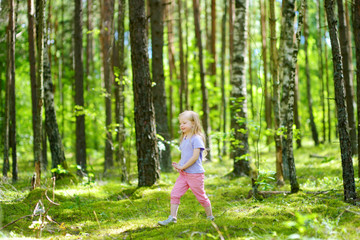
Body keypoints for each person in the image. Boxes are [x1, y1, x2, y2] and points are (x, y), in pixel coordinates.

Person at [158, 111, 214, 226]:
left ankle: (210, 217)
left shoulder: (196, 138)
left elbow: (194, 157)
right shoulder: (184, 138)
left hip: (195, 174)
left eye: (184, 123)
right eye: (180, 123)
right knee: (174, 194)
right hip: (184, 174)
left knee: (201, 197)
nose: (181, 125)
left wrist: (183, 166)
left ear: (193, 123)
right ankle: (172, 217)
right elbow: (185, 155)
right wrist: (179, 165)